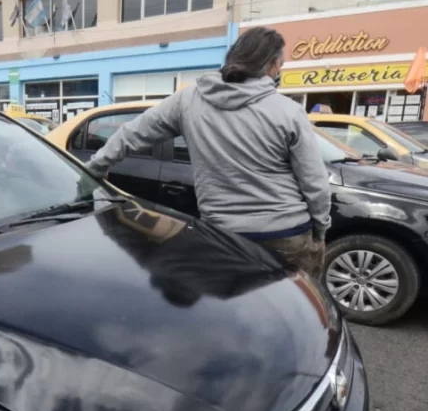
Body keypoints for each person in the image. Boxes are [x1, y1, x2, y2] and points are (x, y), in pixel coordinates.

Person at [85, 26, 331, 280]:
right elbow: (315, 182)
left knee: (233, 315)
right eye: (280, 65)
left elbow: (133, 133)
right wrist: (321, 229)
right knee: (297, 316)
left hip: (223, 237)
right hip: (288, 236)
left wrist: (94, 169)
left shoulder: (189, 100)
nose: (279, 72)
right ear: (270, 66)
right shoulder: (288, 111)